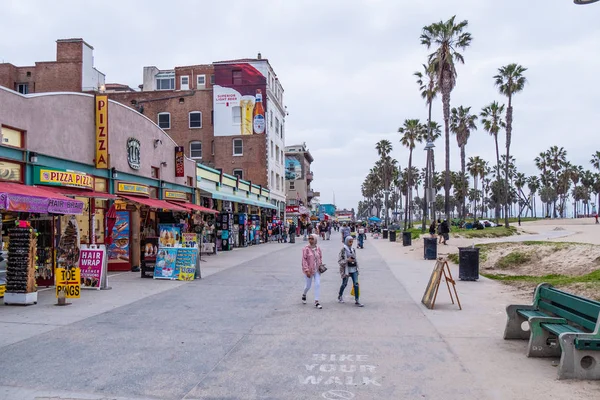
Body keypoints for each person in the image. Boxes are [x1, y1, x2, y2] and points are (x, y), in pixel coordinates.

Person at [338, 236, 364, 307]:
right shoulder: (343, 250)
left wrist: (357, 267)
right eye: (350, 241)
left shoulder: (353, 249)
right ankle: (340, 295)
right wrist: (347, 260)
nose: (351, 243)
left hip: (353, 269)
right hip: (346, 269)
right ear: (346, 241)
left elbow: (355, 259)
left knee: (356, 284)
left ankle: (357, 300)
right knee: (344, 284)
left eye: (352, 241)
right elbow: (340, 261)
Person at [302, 234, 323, 309]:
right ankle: (304, 294)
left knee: (317, 284)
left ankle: (316, 301)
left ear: (315, 240)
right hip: (309, 270)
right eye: (309, 238)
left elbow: (320, 257)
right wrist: (306, 270)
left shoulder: (318, 248)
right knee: (308, 286)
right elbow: (304, 260)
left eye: (312, 239)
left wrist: (320, 265)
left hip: (317, 269)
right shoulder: (306, 249)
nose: (310, 240)